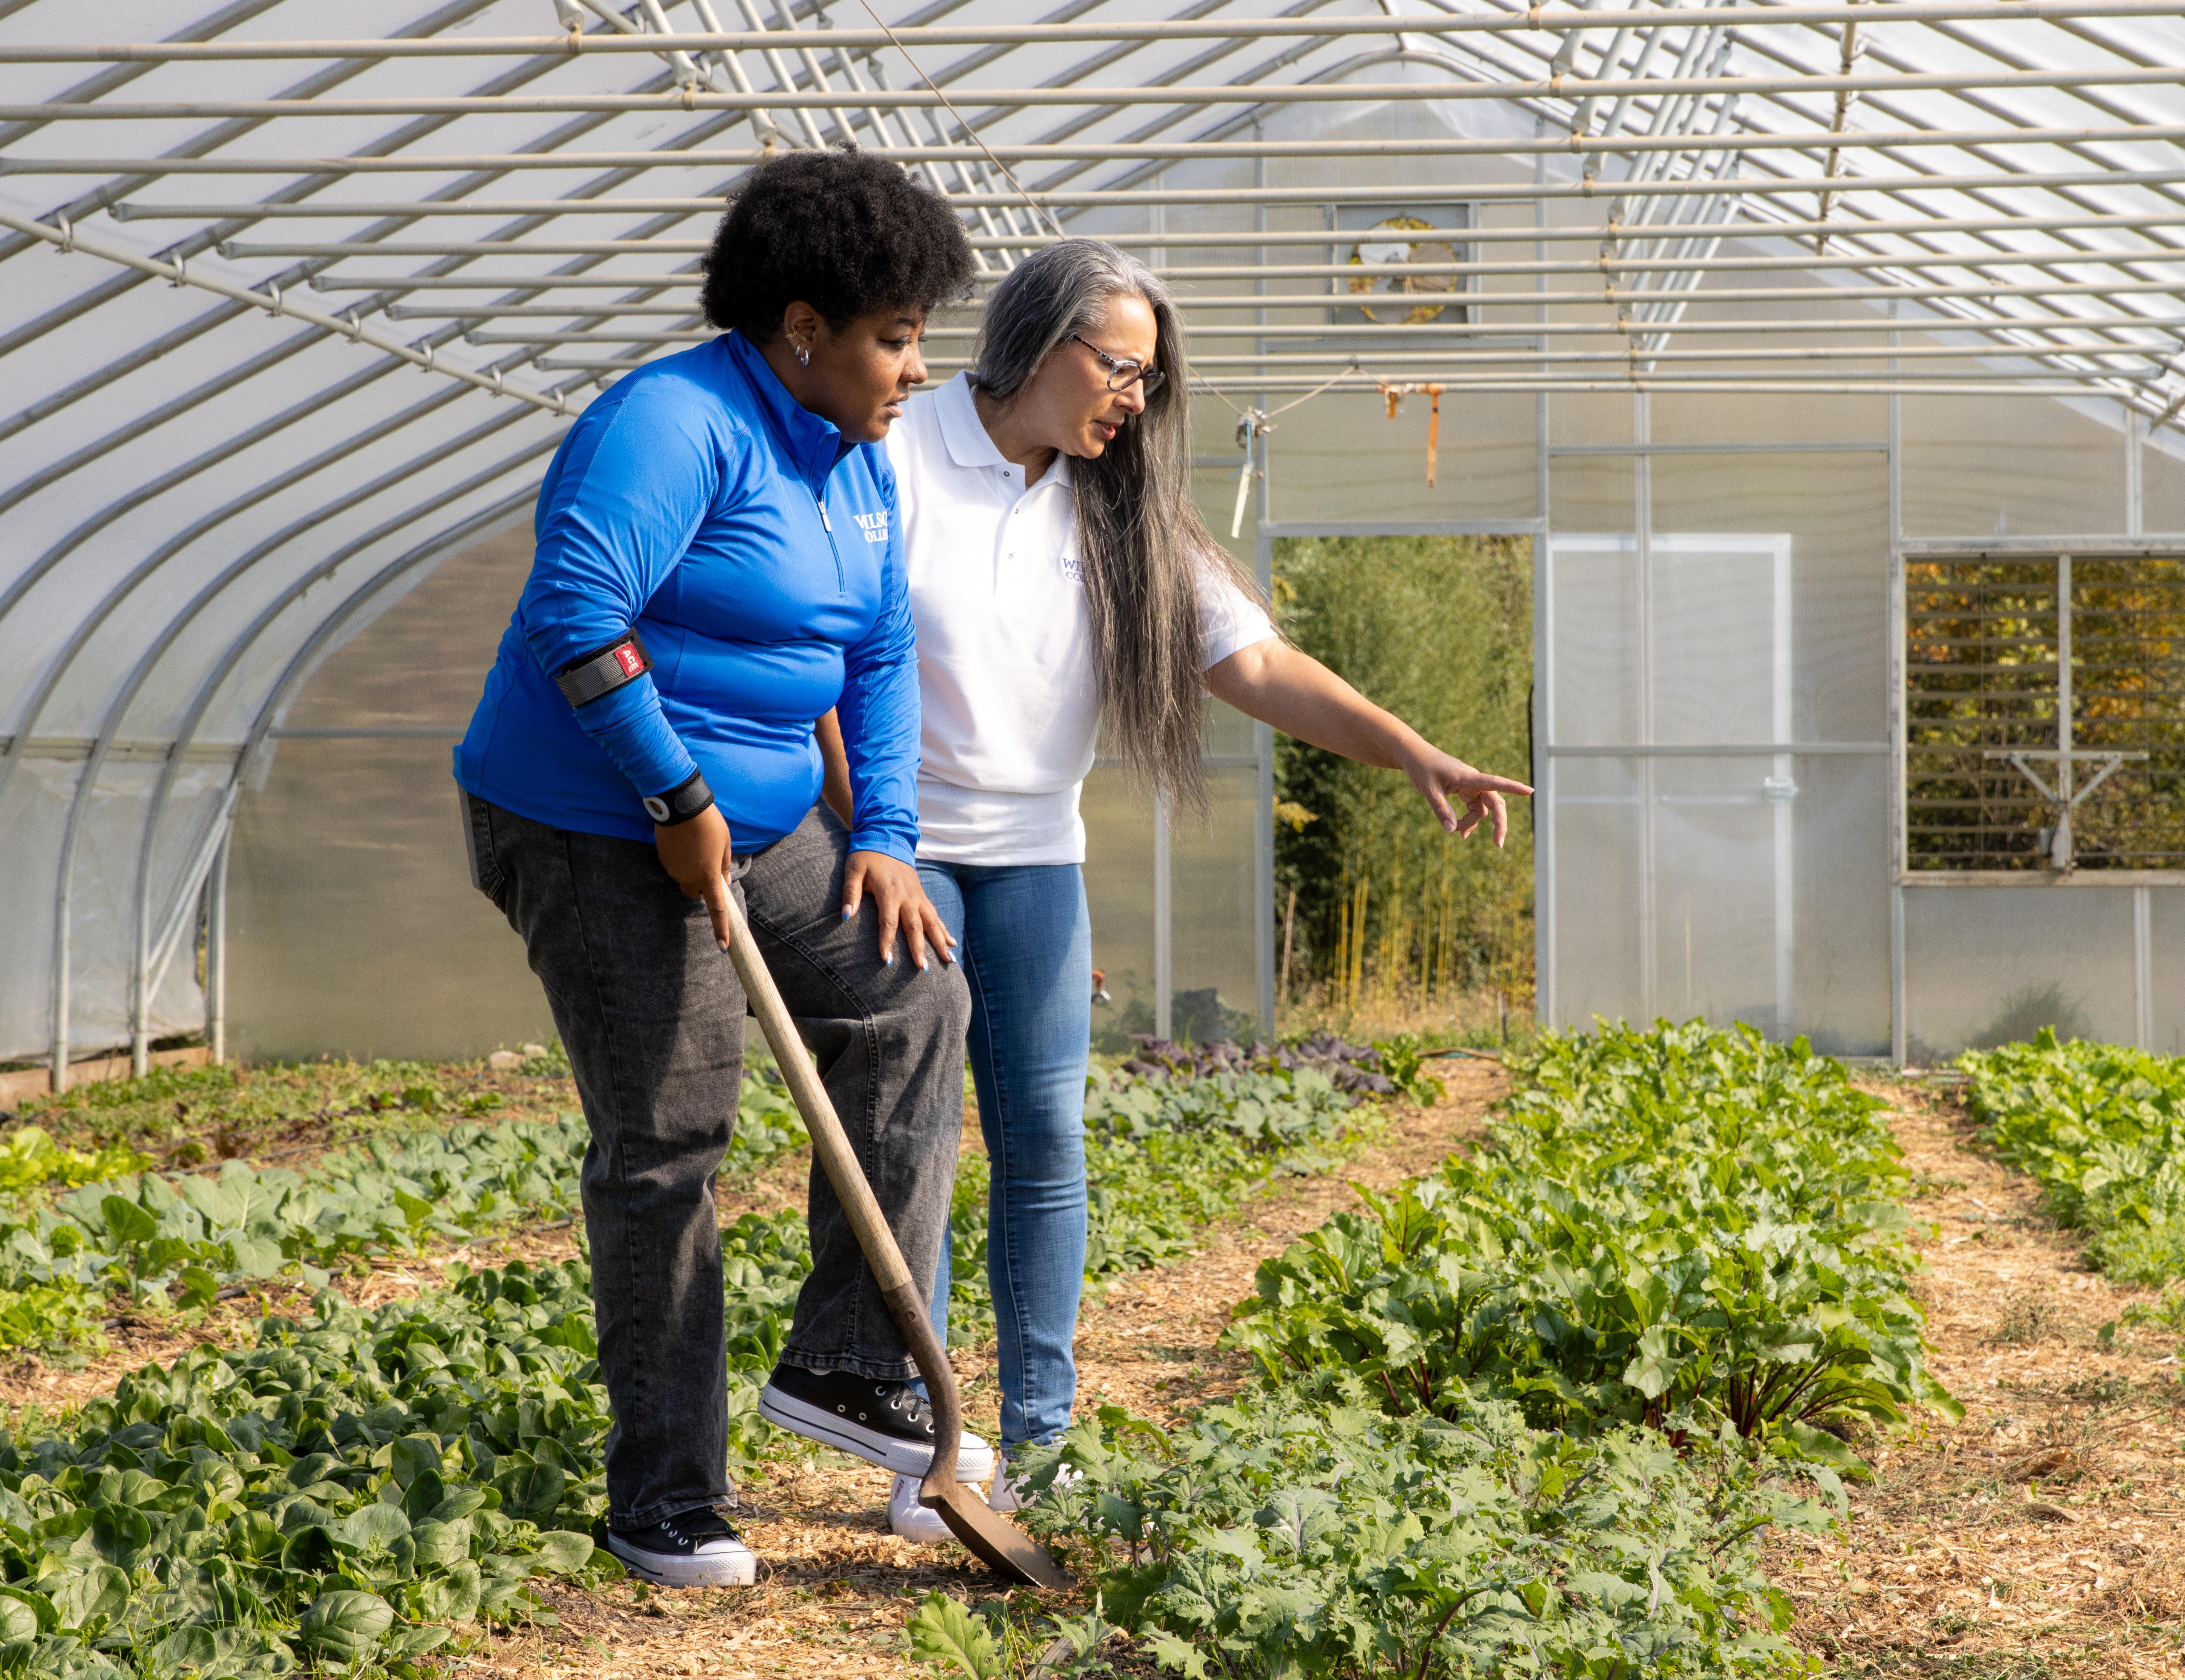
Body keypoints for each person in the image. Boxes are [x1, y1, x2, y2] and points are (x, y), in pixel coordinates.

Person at [840, 237, 1534, 1543]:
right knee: (920, 1146)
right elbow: (824, 651)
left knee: (1044, 1144)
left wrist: (1413, 751)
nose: (1135, 400)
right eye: (1122, 369)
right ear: (1042, 345)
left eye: (1150, 381)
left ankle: (1040, 1445)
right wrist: (858, 830)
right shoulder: (895, 452)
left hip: (1039, 851)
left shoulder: (1120, 506)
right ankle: (929, 1450)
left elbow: (1255, 662)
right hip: (903, 847)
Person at [454, 149, 987, 1589]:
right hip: (589, 814)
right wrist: (673, 789)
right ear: (802, 328)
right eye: (894, 335)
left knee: (912, 996)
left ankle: (850, 1363)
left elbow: (874, 653)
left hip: (758, 821)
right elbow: (579, 610)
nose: (915, 367)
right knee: (670, 1137)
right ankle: (666, 1495)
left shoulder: (853, 459)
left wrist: (879, 833)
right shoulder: (672, 423)